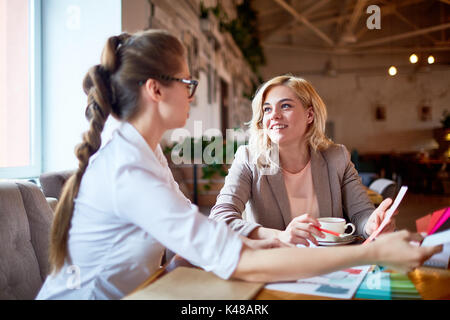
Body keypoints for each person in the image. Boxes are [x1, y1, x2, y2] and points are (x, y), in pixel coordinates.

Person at [36, 30, 441, 300]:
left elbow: (200, 231)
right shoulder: (129, 167)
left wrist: (263, 241)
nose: (192, 95)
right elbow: (230, 246)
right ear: (156, 89)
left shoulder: (146, 151)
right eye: (187, 84)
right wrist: (370, 255)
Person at [210, 75, 397, 246]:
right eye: (267, 109)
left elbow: (361, 213)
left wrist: (372, 225)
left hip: (329, 264)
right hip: (275, 265)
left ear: (309, 115)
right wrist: (278, 236)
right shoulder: (248, 159)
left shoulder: (336, 157)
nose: (274, 115)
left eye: (285, 106)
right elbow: (220, 218)